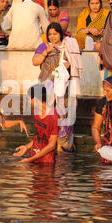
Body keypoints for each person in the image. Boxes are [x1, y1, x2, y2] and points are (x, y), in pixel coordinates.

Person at [33, 22, 83, 152]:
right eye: (50, 34)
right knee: (49, 114)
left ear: (60, 34)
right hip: (46, 86)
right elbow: (35, 61)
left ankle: (62, 144)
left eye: (55, 34)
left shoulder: (67, 46)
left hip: (63, 87)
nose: (53, 37)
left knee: (62, 114)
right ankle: (50, 142)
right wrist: (45, 52)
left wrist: (68, 66)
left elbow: (75, 62)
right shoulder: (44, 46)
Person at [13, 84, 59, 164]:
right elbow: (38, 135)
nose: (28, 102)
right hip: (33, 156)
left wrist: (31, 159)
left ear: (35, 99)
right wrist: (27, 147)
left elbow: (52, 145)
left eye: (29, 99)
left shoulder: (53, 117)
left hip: (46, 162)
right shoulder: (36, 111)